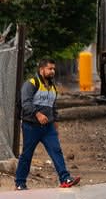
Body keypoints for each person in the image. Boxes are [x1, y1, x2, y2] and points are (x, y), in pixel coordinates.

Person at [14, 58, 80, 190]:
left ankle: (65, 178)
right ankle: (20, 183)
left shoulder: (52, 87)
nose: (52, 71)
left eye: (53, 69)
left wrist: (55, 121)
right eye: (50, 69)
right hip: (31, 126)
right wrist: (37, 114)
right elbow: (25, 103)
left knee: (56, 151)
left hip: (48, 128)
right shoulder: (31, 83)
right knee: (27, 154)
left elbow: (53, 105)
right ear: (41, 69)